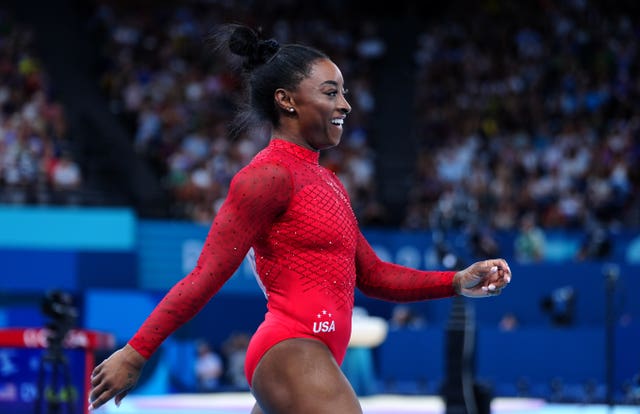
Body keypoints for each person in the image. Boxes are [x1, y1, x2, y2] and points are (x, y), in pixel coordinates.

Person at [88, 24, 512, 414]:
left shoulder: (328, 182)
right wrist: (136, 351)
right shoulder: (266, 176)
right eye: (330, 92)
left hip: (311, 356)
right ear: (286, 100)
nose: (345, 104)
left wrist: (456, 282)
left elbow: (374, 274)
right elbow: (205, 276)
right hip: (291, 349)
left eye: (343, 92)